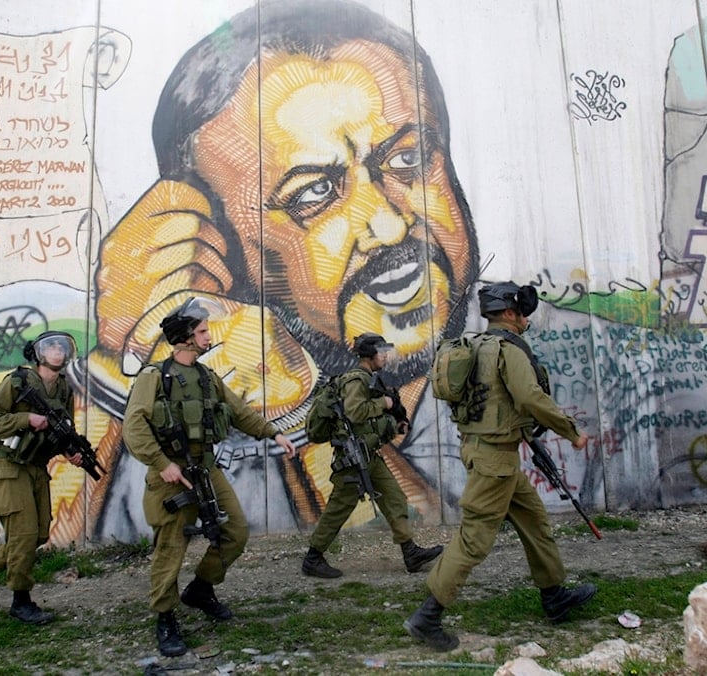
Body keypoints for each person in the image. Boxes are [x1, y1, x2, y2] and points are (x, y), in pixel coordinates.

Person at [80, 0, 480, 538]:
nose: (387, 224)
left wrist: (302, 409)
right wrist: (113, 361)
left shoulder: (616, 381)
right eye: (315, 193)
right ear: (215, 246)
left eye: (408, 160)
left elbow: (422, 524)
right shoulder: (198, 391)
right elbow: (48, 541)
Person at [404, 282, 596, 651]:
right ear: (509, 313)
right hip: (495, 460)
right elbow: (529, 396)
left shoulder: (475, 345)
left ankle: (554, 595)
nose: (526, 318)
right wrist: (570, 431)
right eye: (522, 311)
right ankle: (427, 616)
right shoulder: (508, 350)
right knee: (475, 538)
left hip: (489, 452)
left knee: (534, 520)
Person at [121, 297, 298, 658]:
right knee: (171, 546)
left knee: (235, 530)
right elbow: (134, 426)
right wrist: (161, 463)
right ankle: (165, 616)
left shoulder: (206, 377)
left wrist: (273, 433)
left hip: (205, 467)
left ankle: (200, 589)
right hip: (170, 473)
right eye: (201, 331)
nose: (207, 336)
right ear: (184, 338)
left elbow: (238, 412)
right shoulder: (155, 377)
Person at [0, 331, 84, 624]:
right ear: (39, 353)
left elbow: (61, 430)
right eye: (51, 346)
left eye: (62, 346)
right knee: (24, 535)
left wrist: (70, 451)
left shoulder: (64, 390)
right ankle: (21, 601)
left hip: (36, 467)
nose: (58, 350)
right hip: (10, 466)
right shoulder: (17, 383)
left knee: (40, 533)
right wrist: (25, 419)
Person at [302, 333, 443, 578]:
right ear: (370, 355)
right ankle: (313, 558)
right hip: (353, 457)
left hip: (369, 455)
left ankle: (410, 552)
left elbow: (366, 420)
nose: (385, 356)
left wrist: (392, 424)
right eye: (381, 352)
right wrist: (385, 404)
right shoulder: (356, 379)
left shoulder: (369, 379)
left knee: (394, 497)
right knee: (340, 506)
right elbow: (355, 413)